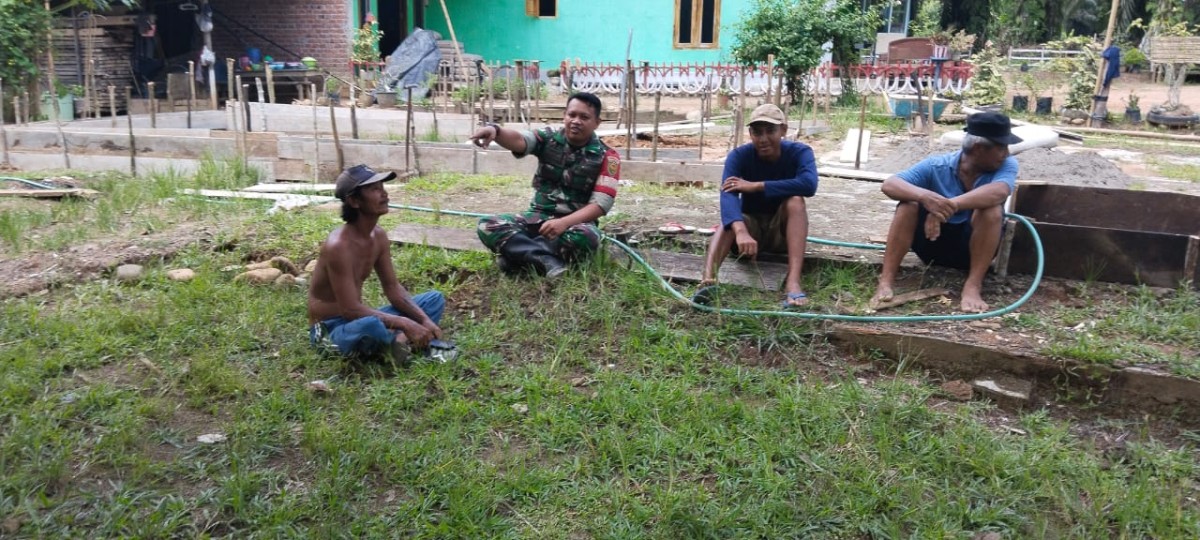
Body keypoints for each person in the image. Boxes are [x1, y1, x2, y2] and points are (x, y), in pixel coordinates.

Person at [870, 111, 1022, 313]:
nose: (1006, 153)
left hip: (971, 251)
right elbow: (890, 185)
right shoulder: (937, 165)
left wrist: (946, 207)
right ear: (978, 149)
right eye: (1001, 147)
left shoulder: (1006, 165)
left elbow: (999, 191)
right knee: (908, 204)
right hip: (932, 245)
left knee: (991, 210)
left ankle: (973, 286)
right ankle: (886, 282)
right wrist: (926, 198)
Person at [469, 92, 620, 279]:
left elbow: (601, 204)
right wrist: (496, 131)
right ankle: (546, 261)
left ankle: (516, 258)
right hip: (537, 218)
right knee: (488, 225)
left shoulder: (608, 156)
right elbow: (520, 140)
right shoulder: (548, 138)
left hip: (575, 224)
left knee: (586, 237)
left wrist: (563, 223)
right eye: (571, 115)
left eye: (584, 117)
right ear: (565, 115)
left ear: (597, 122)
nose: (576, 121)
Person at [307, 164, 446, 364]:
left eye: (382, 187)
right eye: (375, 189)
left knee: (433, 300)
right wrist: (404, 322)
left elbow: (392, 288)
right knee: (371, 327)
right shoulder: (338, 246)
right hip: (332, 330)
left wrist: (423, 319)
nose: (385, 194)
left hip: (357, 319)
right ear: (354, 201)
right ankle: (398, 341)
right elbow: (350, 310)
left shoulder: (378, 236)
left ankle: (396, 342)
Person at [699, 103, 818, 308]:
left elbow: (809, 185)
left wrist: (756, 186)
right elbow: (727, 194)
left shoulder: (800, 152)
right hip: (750, 232)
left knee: (796, 201)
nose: (763, 139)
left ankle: (793, 282)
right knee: (729, 221)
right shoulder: (739, 156)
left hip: (781, 231)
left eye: (770, 131)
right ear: (750, 133)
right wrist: (741, 230)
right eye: (757, 132)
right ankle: (707, 281)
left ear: (783, 130)